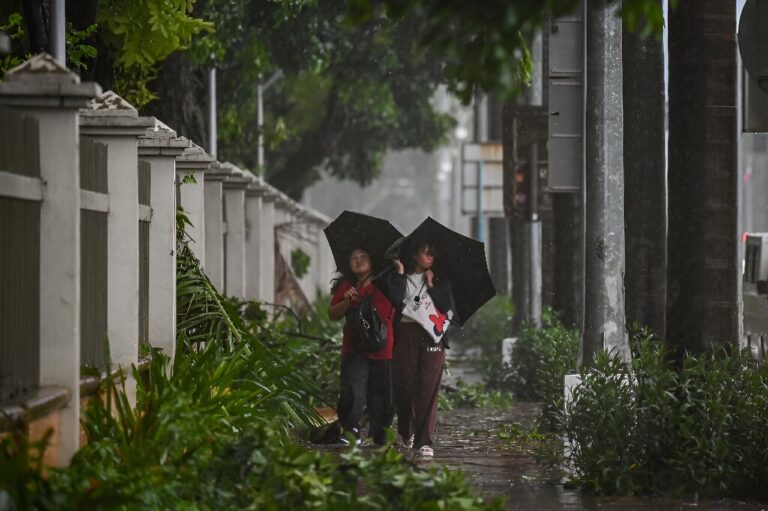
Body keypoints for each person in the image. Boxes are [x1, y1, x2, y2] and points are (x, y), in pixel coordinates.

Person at [389, 239, 454, 458]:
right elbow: (395, 300)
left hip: (432, 338)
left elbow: (446, 308)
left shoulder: (438, 279)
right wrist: (399, 274)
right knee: (404, 385)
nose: (430, 258)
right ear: (415, 255)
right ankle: (406, 431)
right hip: (405, 335)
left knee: (428, 387)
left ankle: (424, 440)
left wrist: (433, 286)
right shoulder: (400, 276)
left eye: (433, 255)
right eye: (426, 253)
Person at [327, 247, 396, 445]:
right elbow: (333, 314)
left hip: (383, 348)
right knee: (352, 392)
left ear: (372, 261)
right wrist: (348, 301)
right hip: (354, 347)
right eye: (354, 258)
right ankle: (351, 431)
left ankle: (380, 434)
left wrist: (364, 300)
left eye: (363, 257)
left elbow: (390, 309)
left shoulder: (385, 283)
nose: (358, 261)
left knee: (381, 395)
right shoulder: (346, 286)